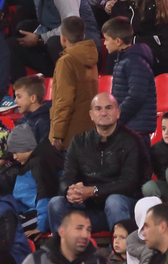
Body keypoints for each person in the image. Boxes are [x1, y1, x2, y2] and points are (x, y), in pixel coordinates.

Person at [48, 92, 141, 231]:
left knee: (114, 201)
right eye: (98, 109)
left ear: (118, 113)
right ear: (91, 115)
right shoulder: (79, 141)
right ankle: (62, 251)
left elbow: (130, 182)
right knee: (55, 203)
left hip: (121, 206)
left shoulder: (132, 140)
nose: (103, 113)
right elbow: (67, 176)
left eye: (108, 108)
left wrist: (94, 191)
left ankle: (119, 251)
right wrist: (69, 191)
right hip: (88, 208)